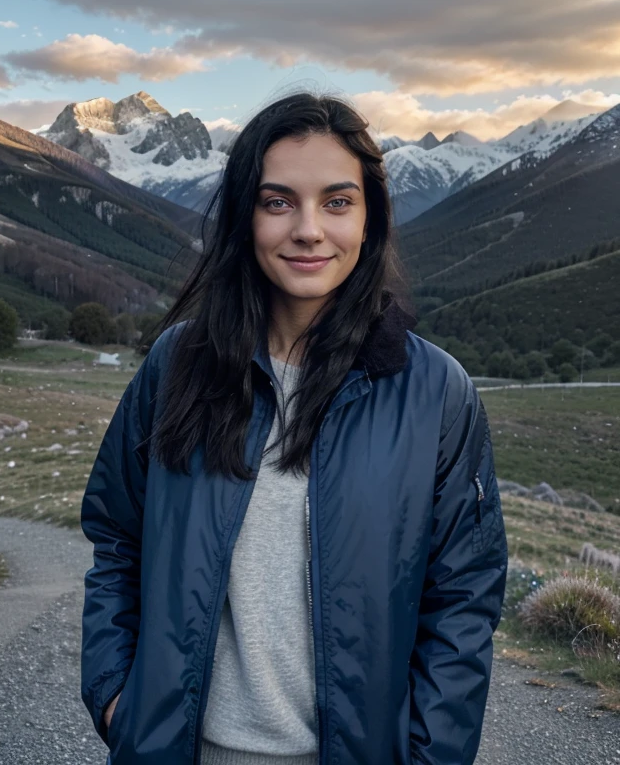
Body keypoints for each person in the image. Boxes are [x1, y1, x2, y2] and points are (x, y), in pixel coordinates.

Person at [80, 90, 508, 765]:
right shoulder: (177, 365)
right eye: (278, 202)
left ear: (371, 220)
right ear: (246, 217)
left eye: (337, 202)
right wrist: (116, 697)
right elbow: (117, 540)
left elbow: (463, 595)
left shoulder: (436, 392)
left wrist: (431, 754)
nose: (308, 229)